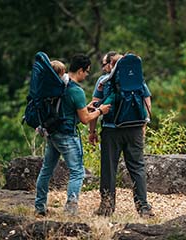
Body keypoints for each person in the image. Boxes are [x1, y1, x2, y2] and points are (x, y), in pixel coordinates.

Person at [35, 54, 111, 217]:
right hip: (68, 136)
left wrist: (86, 107)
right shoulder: (76, 90)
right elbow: (84, 119)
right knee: (77, 172)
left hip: (53, 133)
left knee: (46, 170)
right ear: (81, 70)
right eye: (87, 72)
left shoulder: (59, 85)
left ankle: (39, 206)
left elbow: (68, 111)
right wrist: (100, 111)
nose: (87, 75)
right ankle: (70, 210)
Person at [89, 51, 154, 218]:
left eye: (104, 64)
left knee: (109, 168)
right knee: (137, 167)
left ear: (111, 64)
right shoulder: (137, 79)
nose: (103, 68)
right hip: (135, 128)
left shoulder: (103, 81)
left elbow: (95, 105)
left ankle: (107, 208)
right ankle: (144, 208)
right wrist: (144, 125)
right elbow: (147, 100)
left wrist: (92, 130)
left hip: (112, 129)